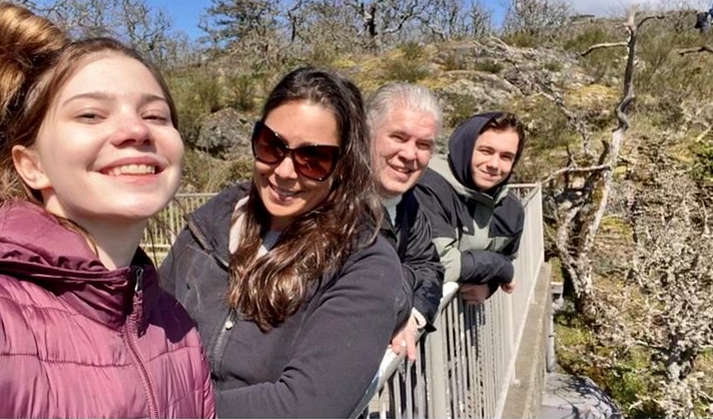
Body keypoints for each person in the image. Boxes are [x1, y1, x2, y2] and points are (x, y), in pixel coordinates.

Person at [0, 2, 214, 418]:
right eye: (90, 114)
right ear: (31, 164)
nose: (137, 130)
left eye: (156, 114)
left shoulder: (175, 326)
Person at [160, 66, 410, 418]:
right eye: (272, 145)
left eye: (314, 159)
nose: (285, 171)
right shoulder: (210, 225)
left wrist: (156, 407)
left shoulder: (363, 263)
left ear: (343, 166)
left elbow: (307, 407)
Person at [366, 82, 444, 360]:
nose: (410, 155)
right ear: (367, 135)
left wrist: (414, 315)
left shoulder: (410, 204)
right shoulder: (335, 200)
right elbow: (365, 283)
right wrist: (402, 293)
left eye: (423, 145)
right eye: (398, 137)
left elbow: (429, 265)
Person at [417, 111, 526, 305]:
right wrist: (501, 268)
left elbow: (507, 255)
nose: (494, 164)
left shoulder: (511, 209)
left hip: (465, 326)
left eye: (506, 156)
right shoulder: (428, 187)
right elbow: (440, 263)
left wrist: (488, 286)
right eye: (486, 151)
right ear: (465, 148)